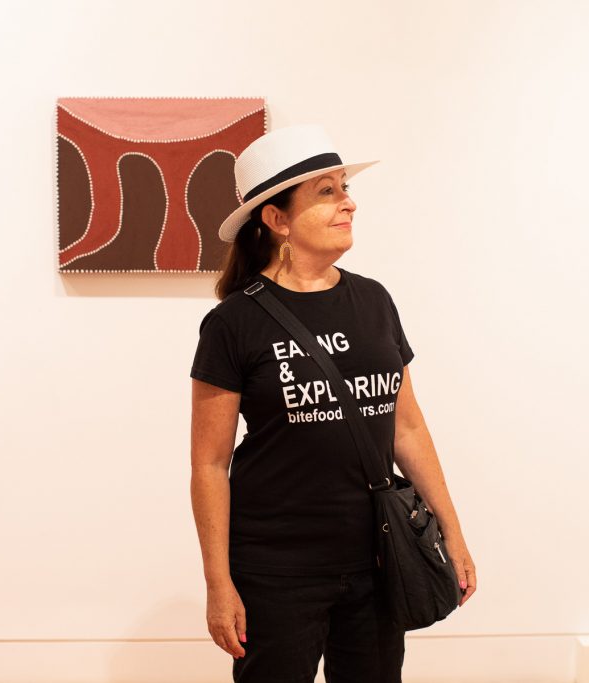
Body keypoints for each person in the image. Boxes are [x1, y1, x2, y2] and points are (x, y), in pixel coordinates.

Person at [189, 124, 476, 683]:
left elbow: (407, 427)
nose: (349, 202)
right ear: (276, 219)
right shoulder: (233, 324)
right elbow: (208, 464)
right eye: (326, 191)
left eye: (344, 187)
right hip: (275, 568)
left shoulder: (372, 300)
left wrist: (452, 530)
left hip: (377, 554)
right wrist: (219, 584)